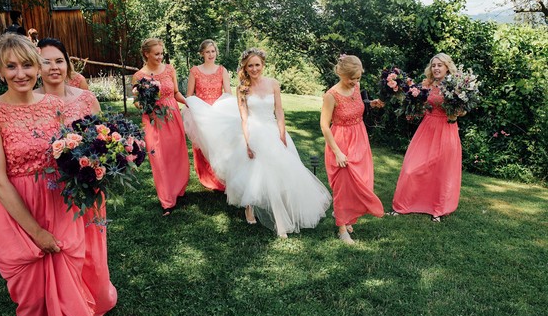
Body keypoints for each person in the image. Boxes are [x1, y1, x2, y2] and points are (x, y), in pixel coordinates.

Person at [0, 33, 97, 316]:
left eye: (27, 65)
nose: (20, 74)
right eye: (10, 66)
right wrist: (36, 232)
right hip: (17, 207)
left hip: (59, 201)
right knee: (29, 291)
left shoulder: (55, 106)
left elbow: (72, 152)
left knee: (68, 274)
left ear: (36, 68)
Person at [184, 48, 331, 238]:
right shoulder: (242, 88)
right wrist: (247, 142)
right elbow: (244, 117)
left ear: (263, 65)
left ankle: (281, 215)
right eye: (250, 66)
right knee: (252, 171)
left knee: (280, 173)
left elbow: (279, 111)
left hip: (273, 131)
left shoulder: (273, 84)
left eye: (257, 65)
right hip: (252, 131)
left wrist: (282, 134)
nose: (254, 69)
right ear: (245, 67)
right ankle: (252, 208)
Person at [36, 37, 117, 316]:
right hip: (52, 189)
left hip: (89, 184)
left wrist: (99, 167)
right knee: (65, 248)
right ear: (36, 65)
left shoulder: (86, 98)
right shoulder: (31, 102)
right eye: (46, 61)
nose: (54, 67)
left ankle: (95, 295)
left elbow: (103, 139)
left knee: (93, 244)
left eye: (59, 60)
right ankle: (71, 303)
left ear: (68, 64)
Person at [388, 53, 462, 222]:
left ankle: (438, 209)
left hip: (446, 129)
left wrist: (456, 110)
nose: (436, 68)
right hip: (427, 128)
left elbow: (461, 112)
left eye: (440, 65)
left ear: (447, 67)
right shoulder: (427, 84)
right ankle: (403, 206)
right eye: (434, 65)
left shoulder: (455, 86)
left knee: (441, 172)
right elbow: (422, 106)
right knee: (410, 168)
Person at [320, 55, 385, 244]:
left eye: (358, 78)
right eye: (352, 78)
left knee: (361, 182)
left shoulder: (356, 88)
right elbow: (324, 125)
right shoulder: (331, 95)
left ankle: (346, 215)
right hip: (340, 142)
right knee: (343, 186)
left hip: (360, 140)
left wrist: (370, 103)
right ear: (341, 74)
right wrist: (337, 152)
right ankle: (342, 228)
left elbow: (355, 106)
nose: (355, 82)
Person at [132, 38, 189, 216]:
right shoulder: (139, 76)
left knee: (176, 154)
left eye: (161, 53)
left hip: (173, 115)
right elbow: (136, 101)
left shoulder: (170, 69)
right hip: (153, 119)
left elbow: (176, 92)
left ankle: (177, 188)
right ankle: (166, 200)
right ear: (146, 54)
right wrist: (145, 105)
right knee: (159, 157)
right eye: (156, 54)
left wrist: (189, 103)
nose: (160, 56)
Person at [185, 39, 230, 191]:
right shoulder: (195, 71)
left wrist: (222, 109)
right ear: (202, 54)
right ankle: (206, 177)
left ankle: (221, 176)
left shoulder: (222, 70)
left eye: (213, 51)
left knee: (219, 145)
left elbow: (228, 94)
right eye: (207, 52)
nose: (211, 54)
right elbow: (189, 95)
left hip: (217, 112)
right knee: (202, 144)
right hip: (201, 113)